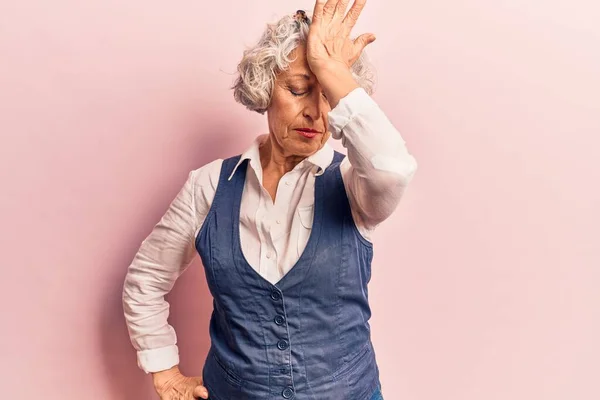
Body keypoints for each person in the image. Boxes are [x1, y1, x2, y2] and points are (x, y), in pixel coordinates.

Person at [122, 1, 418, 399]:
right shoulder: (210, 185)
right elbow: (146, 280)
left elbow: (394, 168)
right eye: (298, 90)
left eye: (329, 95)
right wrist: (164, 369)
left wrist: (332, 69)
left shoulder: (354, 184)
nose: (316, 112)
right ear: (266, 85)